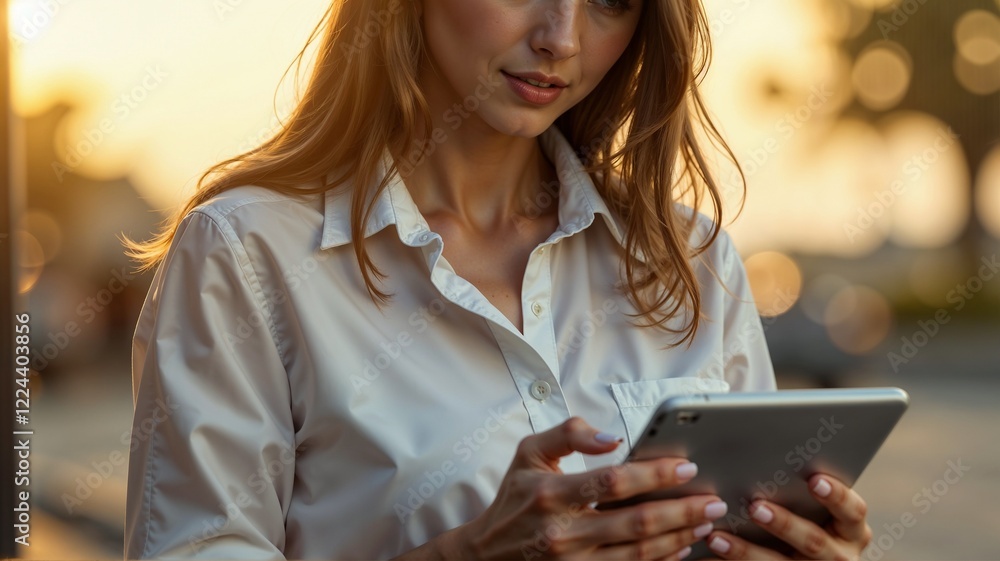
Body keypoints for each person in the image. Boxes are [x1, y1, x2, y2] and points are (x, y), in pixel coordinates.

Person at [123, 0, 874, 559]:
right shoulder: (247, 252)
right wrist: (468, 553)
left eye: (609, 1)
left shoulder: (693, 257)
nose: (562, 38)